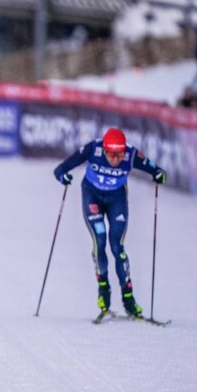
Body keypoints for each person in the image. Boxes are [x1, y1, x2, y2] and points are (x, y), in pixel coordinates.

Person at [53, 128, 167, 317]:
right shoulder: (94, 149)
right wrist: (62, 175)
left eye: (119, 154)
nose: (115, 159)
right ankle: (103, 288)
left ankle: (128, 299)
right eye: (111, 154)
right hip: (92, 196)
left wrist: (158, 174)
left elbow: (153, 168)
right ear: (104, 150)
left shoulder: (131, 154)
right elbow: (64, 166)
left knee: (117, 247)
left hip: (117, 199)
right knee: (100, 240)